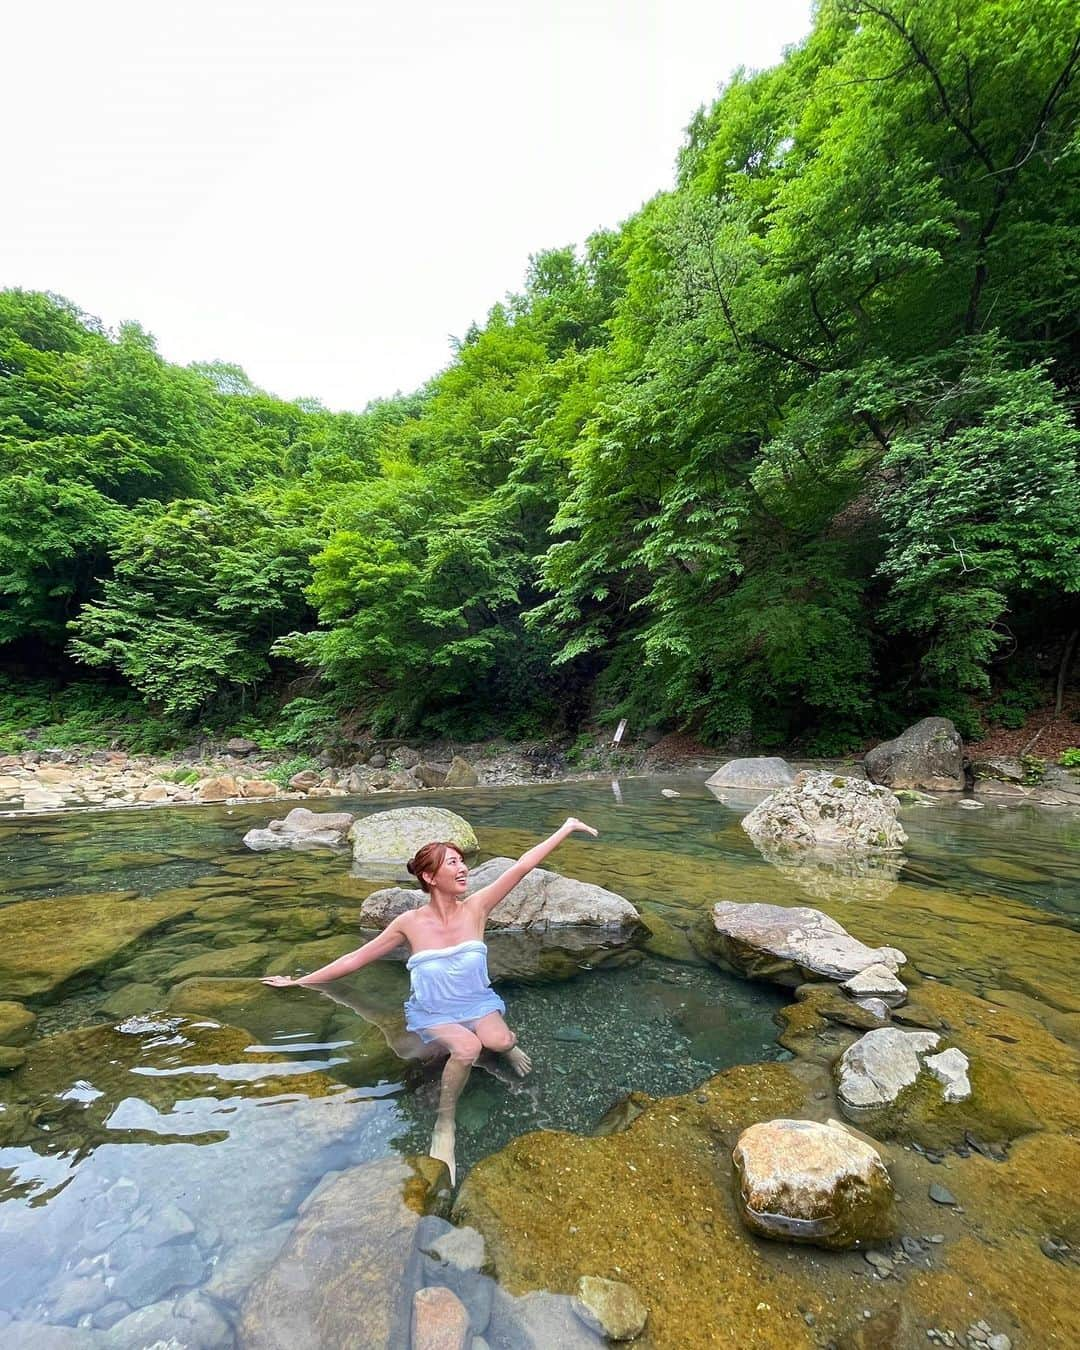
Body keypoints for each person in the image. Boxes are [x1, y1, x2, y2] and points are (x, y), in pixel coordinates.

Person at [262, 816, 598, 1182]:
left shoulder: (478, 907)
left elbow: (522, 866)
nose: (463, 867)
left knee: (502, 1041)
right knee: (467, 1048)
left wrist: (565, 829)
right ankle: (445, 1121)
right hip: (433, 1011)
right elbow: (356, 959)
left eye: (462, 860)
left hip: (478, 1002)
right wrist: (300, 982)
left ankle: (506, 1048)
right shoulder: (409, 923)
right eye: (452, 862)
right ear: (429, 877)